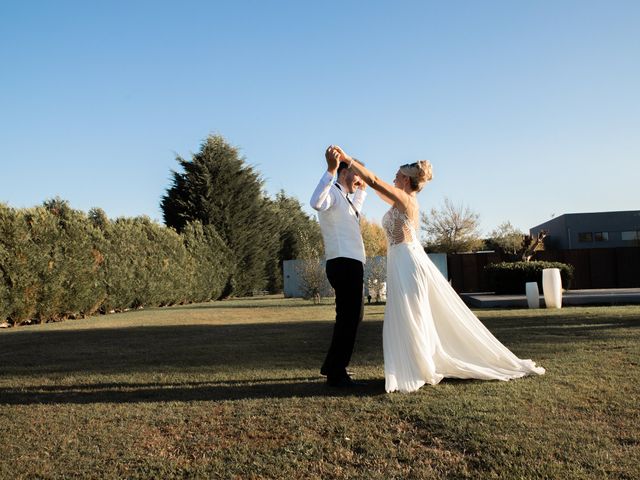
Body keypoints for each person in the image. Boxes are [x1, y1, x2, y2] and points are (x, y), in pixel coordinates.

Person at [330, 145, 545, 393]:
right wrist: (359, 184)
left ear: (407, 180)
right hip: (399, 262)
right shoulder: (397, 200)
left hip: (408, 263)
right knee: (405, 314)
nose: (394, 177)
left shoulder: (406, 200)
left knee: (412, 315)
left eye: (398, 175)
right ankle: (410, 367)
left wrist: (348, 160)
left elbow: (376, 181)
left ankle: (418, 369)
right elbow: (375, 187)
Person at [310, 147, 367, 387]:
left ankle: (332, 365)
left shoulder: (346, 199)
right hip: (343, 263)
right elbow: (315, 202)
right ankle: (336, 372)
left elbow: (355, 211)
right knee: (348, 318)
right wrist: (331, 169)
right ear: (345, 173)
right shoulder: (332, 193)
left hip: (351, 263)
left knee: (352, 317)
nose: (360, 180)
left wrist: (361, 189)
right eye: (357, 174)